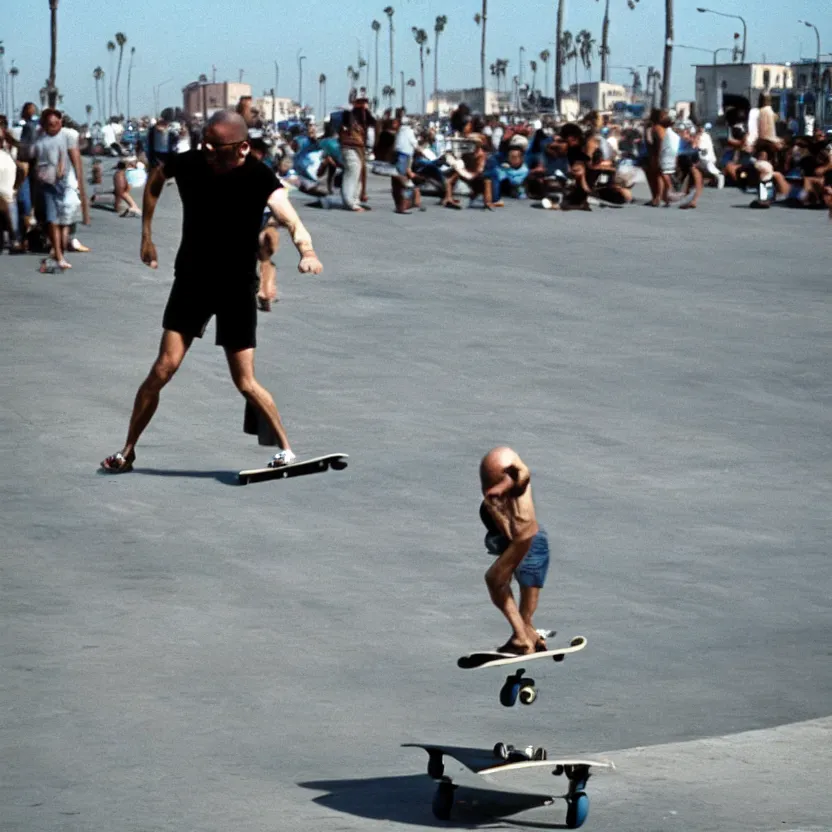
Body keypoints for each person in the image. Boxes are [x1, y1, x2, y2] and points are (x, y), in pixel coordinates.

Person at [100, 110, 323, 474]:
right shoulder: (190, 162)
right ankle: (127, 451)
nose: (207, 153)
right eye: (205, 144)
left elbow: (289, 217)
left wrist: (308, 251)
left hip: (236, 286)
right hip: (192, 281)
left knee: (245, 381)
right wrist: (146, 234)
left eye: (216, 147)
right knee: (162, 369)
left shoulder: (258, 175)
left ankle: (286, 450)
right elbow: (156, 179)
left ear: (242, 147)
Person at [479, 447, 550, 655]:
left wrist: (497, 495)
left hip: (524, 540)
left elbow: (520, 479)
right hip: (537, 537)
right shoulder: (513, 479)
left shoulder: (508, 488)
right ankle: (531, 636)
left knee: (494, 580)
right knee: (525, 605)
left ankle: (521, 640)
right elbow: (520, 478)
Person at [31, 108, 73, 270]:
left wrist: (61, 171)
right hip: (48, 185)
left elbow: (63, 157)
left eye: (57, 123)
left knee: (62, 220)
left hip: (63, 184)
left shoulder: (64, 137)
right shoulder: (42, 142)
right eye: (51, 124)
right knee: (53, 220)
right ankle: (59, 255)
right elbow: (37, 164)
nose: (55, 126)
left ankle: (57, 251)